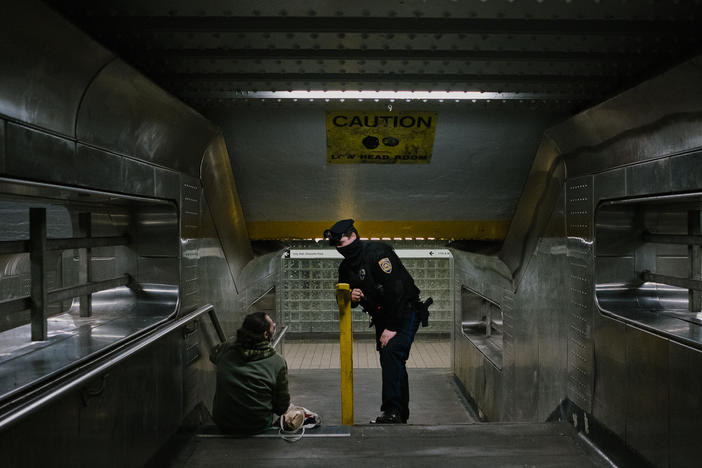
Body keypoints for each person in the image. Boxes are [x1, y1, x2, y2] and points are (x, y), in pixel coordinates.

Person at [324, 219, 425, 424]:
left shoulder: (378, 253)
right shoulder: (346, 267)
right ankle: (399, 413)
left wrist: (392, 328)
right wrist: (350, 296)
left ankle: (392, 411)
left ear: (353, 236)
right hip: (382, 317)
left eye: (342, 243)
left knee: (392, 352)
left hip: (405, 311)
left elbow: (397, 289)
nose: (340, 248)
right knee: (391, 360)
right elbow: (343, 296)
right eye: (337, 246)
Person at [209, 312, 290, 435]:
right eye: (273, 326)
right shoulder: (277, 362)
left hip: (224, 425)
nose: (274, 327)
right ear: (266, 334)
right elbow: (281, 407)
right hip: (258, 425)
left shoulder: (226, 350)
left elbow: (212, 355)